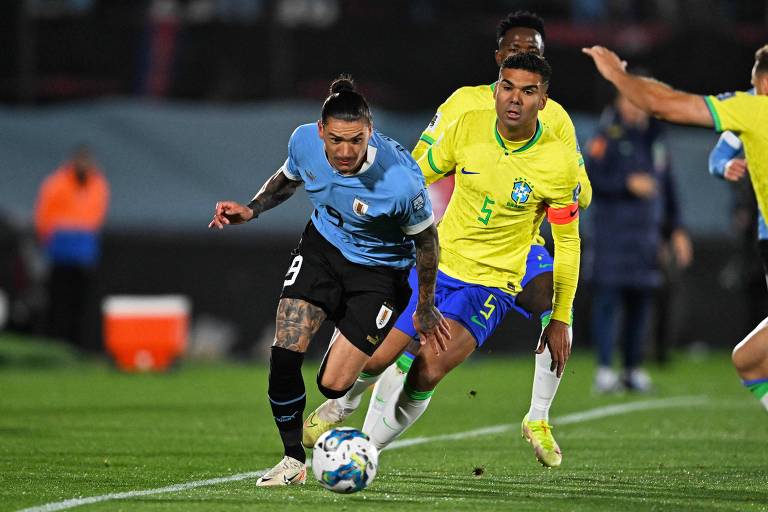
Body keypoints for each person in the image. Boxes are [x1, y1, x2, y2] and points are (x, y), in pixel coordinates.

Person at [303, 11, 590, 468]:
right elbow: (417, 172)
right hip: (440, 259)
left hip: (496, 275)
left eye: (529, 85)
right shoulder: (467, 118)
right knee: (374, 361)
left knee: (428, 368)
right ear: (497, 73)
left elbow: (571, 231)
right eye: (509, 82)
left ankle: (365, 454)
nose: (515, 97)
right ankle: (347, 400)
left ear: (543, 94)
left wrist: (560, 315)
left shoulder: (557, 143)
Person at [208, 76, 450, 486]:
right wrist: (251, 210)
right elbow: (288, 178)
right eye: (335, 140)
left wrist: (425, 306)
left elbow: (427, 243)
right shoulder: (303, 141)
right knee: (284, 354)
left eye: (355, 140)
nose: (344, 151)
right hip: (322, 252)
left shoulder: (400, 180)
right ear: (320, 131)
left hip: (381, 273)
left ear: (370, 131)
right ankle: (291, 460)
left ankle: (364, 372)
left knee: (333, 385)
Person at [583, 43, 768, 412]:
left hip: (639, 234)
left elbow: (665, 103)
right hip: (623, 232)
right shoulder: (619, 136)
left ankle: (622, 366)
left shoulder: (755, 107)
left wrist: (618, 75)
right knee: (749, 361)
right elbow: (720, 157)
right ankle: (611, 367)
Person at [586, 90, 692, 393]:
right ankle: (605, 370)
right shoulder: (607, 134)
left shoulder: (656, 137)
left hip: (646, 237)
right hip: (612, 235)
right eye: (630, 99)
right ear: (619, 101)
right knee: (607, 302)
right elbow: (588, 177)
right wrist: (625, 183)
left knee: (641, 304)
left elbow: (668, 187)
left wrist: (677, 230)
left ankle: (632, 369)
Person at [34, 145, 109, 350]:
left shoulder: (97, 184)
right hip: (60, 247)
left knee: (79, 302)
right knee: (58, 299)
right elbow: (44, 215)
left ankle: (76, 346)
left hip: (83, 248)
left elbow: (96, 216)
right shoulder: (56, 183)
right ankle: (54, 344)